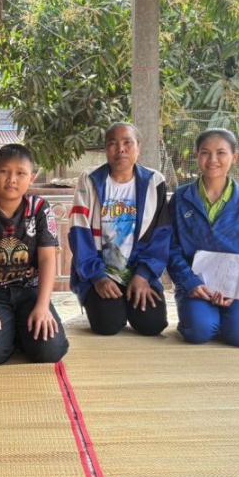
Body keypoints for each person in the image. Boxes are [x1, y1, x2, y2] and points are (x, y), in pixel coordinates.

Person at [0, 144, 69, 366]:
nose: (12, 179)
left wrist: (43, 306)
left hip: (30, 291)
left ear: (32, 178)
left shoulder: (39, 209)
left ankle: (18, 330)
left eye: (20, 173)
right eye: (4, 171)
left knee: (50, 351)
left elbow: (47, 258)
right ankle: (13, 333)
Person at [69, 123, 170, 336]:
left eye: (127, 143)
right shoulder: (90, 180)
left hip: (138, 269)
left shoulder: (154, 182)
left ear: (138, 147)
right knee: (107, 325)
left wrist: (143, 275)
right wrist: (97, 277)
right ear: (106, 149)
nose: (120, 149)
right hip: (101, 271)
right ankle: (106, 303)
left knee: (152, 324)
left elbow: (161, 235)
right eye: (112, 144)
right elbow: (79, 232)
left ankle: (129, 297)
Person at [167, 129, 239, 347]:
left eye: (221, 153)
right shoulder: (181, 198)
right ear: (196, 156)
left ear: (235, 157)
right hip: (195, 285)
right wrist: (190, 282)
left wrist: (237, 288)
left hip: (238, 287)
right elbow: (171, 248)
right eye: (205, 153)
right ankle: (205, 318)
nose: (213, 159)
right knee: (199, 331)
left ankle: (231, 320)